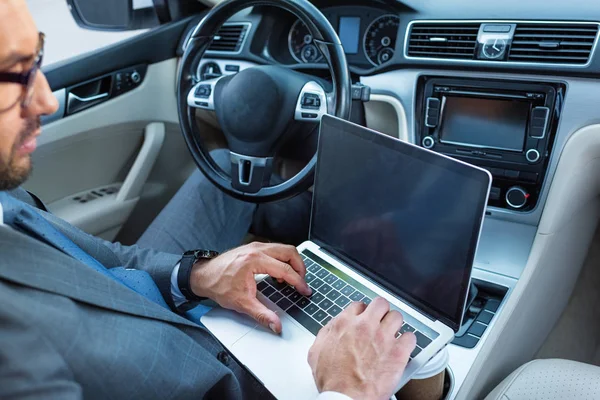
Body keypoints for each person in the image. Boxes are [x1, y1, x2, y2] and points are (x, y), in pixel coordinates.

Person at [0, 1, 417, 399]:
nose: (47, 100)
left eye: (36, 59)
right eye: (14, 74)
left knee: (221, 169)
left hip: (157, 314)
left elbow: (95, 264)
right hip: (213, 382)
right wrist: (346, 391)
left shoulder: (5, 197)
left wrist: (197, 276)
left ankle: (349, 250)